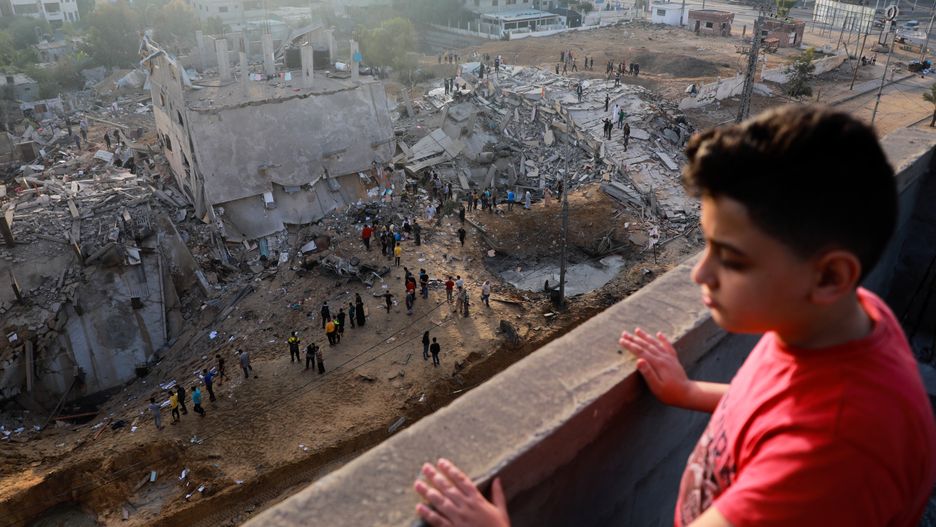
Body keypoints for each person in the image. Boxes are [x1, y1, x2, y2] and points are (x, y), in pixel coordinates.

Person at [412, 106, 936, 527]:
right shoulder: (841, 321)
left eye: (731, 259)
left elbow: (806, 429)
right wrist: (689, 393)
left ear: (828, 277)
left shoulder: (828, 465)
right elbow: (779, 405)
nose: (698, 274)